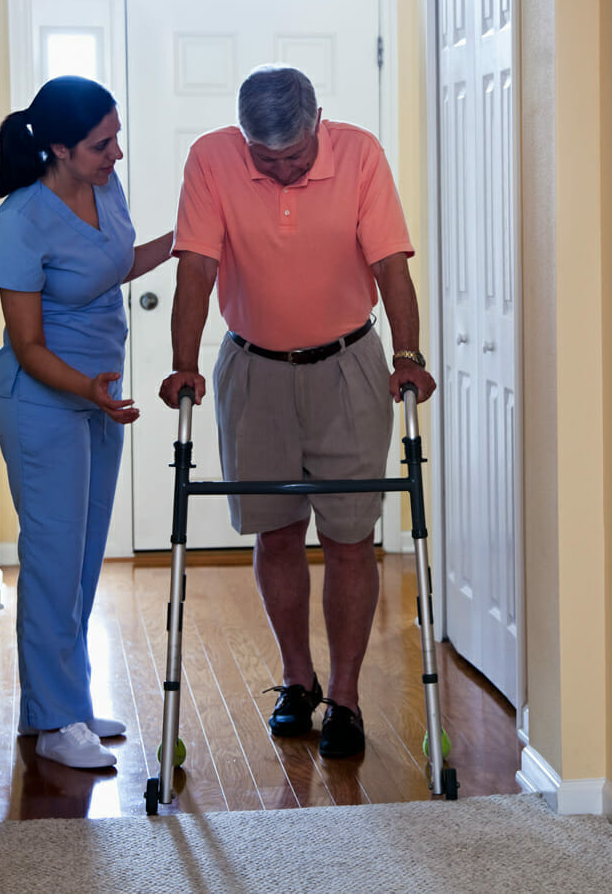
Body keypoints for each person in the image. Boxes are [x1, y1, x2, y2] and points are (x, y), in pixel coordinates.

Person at [158, 65, 436, 759]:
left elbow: (391, 266)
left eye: (295, 156)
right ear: (244, 138)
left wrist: (408, 351)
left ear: (319, 122)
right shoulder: (212, 158)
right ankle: (297, 678)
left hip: (348, 365)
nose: (281, 171)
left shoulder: (360, 154)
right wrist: (184, 362)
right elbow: (195, 266)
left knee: (349, 536)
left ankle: (345, 694)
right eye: (266, 158)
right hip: (253, 367)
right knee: (275, 531)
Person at [0, 76, 175, 769]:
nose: (116, 153)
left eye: (116, 136)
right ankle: (57, 717)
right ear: (60, 147)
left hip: (100, 395)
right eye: (102, 143)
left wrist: (187, 240)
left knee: (84, 558)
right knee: (51, 560)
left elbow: (113, 263)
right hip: (43, 400)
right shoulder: (19, 221)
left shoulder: (105, 189)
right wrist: (89, 391)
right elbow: (29, 346)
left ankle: (62, 705)